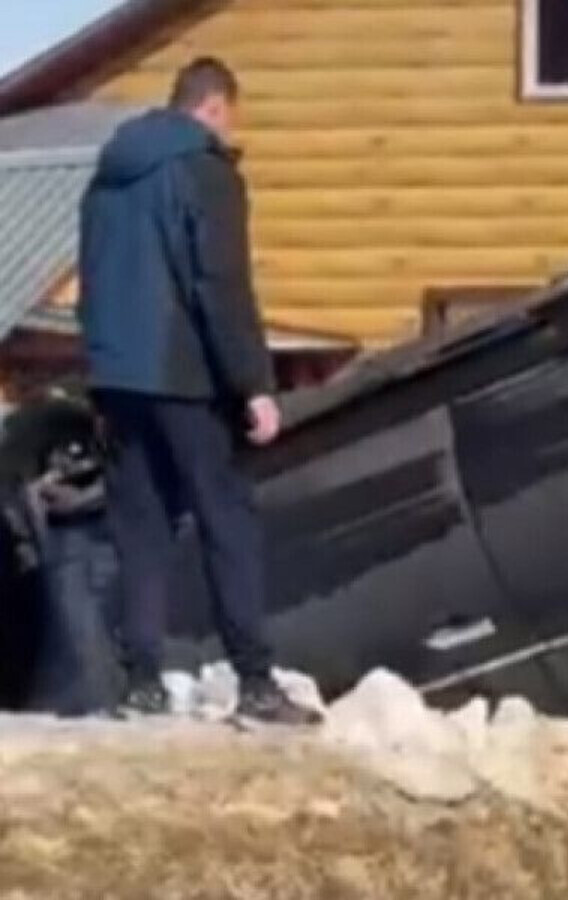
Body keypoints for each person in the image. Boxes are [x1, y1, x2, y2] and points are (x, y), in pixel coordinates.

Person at [78, 57, 317, 724]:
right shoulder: (204, 171)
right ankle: (256, 683)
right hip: (184, 375)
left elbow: (93, 285)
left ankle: (142, 683)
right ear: (214, 107)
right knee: (227, 523)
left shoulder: (106, 179)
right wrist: (254, 384)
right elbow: (220, 285)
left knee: (141, 531)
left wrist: (98, 374)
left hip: (118, 379)